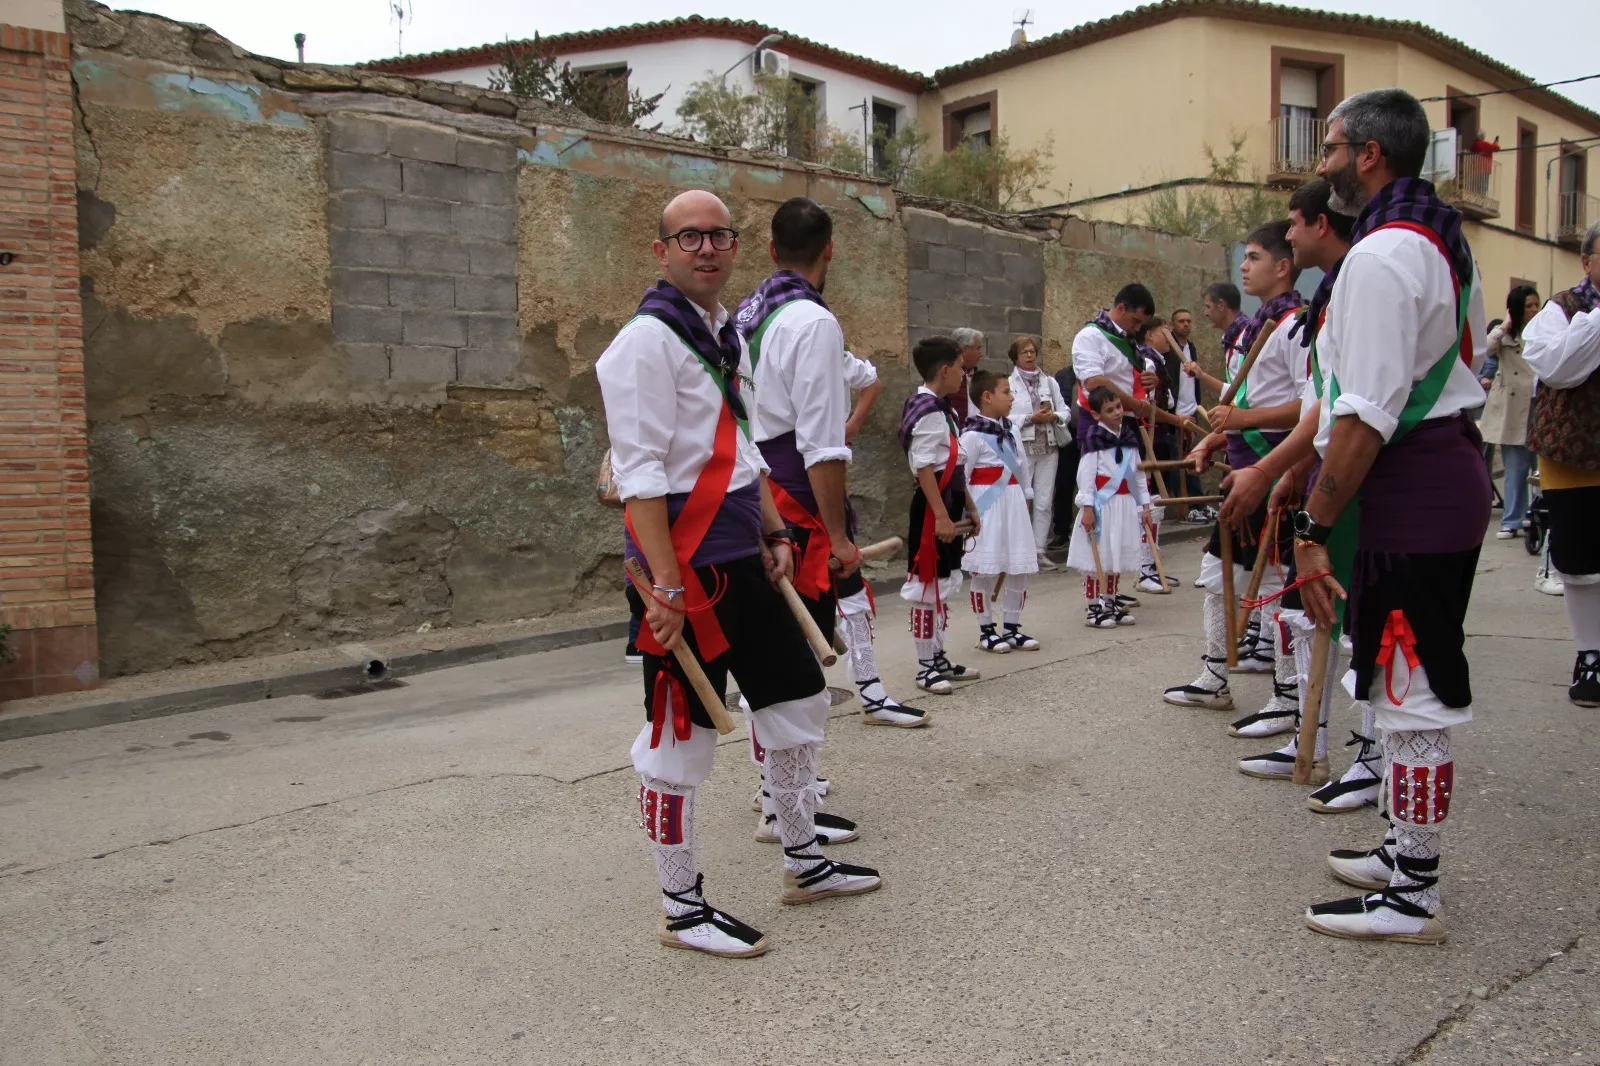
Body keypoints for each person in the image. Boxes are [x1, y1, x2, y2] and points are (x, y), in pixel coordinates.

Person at [597, 189, 882, 959]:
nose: (707, 248)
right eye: (689, 237)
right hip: (685, 574)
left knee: (796, 703)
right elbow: (639, 472)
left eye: (720, 235)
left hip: (744, 561)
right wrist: (662, 583)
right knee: (678, 743)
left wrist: (775, 528)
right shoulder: (644, 344)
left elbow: (743, 444)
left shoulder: (722, 332)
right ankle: (682, 907)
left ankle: (803, 861)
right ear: (662, 251)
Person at [1296, 88, 1491, 944]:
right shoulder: (1441, 242)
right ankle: (1402, 854)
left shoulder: (1380, 257)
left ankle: (1414, 891)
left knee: (1412, 694)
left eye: (1330, 147)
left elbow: (1365, 413)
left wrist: (1310, 527)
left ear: (1369, 153)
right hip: (1428, 480)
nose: (1322, 163)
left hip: (1412, 486)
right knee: (1395, 678)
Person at [737, 197, 928, 734]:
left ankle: (779, 789)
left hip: (753, 488)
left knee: (775, 643)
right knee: (794, 656)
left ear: (773, 251)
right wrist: (839, 537)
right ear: (830, 252)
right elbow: (821, 447)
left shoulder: (746, 315)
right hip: (796, 494)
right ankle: (786, 803)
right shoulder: (813, 322)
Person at [1218, 179, 1378, 814]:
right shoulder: (1333, 294)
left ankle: (1371, 755)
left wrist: (1272, 466)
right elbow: (1325, 401)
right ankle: (1323, 729)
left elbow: (1344, 406)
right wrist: (1286, 467)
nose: (1284, 235)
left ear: (1321, 224)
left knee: (1368, 617)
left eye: (1292, 223)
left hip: (1371, 467)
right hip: (1325, 460)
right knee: (1326, 610)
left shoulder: (1367, 277)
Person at [1163, 222, 1305, 711]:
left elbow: (1312, 408)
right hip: (1243, 472)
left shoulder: (1296, 326)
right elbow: (1251, 403)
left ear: (1283, 267)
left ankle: (1288, 696)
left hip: (1279, 474)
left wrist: (1240, 419)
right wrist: (1218, 438)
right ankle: (1214, 675)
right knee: (1217, 568)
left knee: (1279, 581)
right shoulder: (1261, 327)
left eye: (1254, 257)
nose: (1243, 266)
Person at [1522, 219, 1600, 707]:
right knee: (1578, 563)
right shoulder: (1560, 308)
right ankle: (1590, 654)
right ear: (1587, 261)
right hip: (1573, 454)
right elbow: (1557, 367)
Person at [901, 335, 983, 695]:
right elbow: (924, 470)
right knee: (925, 587)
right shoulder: (927, 409)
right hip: (933, 507)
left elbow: (956, 462)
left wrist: (969, 506)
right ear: (946, 370)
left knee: (942, 584)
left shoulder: (944, 409)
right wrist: (942, 517)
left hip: (948, 501)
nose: (964, 378)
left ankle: (937, 657)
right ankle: (924, 666)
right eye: (962, 371)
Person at [962, 369, 1042, 652]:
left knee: (1017, 567)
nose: (1012, 397)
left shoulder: (1011, 431)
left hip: (1013, 503)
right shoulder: (971, 435)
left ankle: (1011, 627)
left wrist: (1025, 496)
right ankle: (986, 630)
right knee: (984, 569)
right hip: (987, 507)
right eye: (1006, 392)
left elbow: (1021, 467)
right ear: (987, 397)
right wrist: (969, 513)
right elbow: (963, 476)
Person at [1069, 386, 1152, 627]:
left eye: (1118, 407)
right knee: (1099, 557)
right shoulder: (1093, 439)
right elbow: (1085, 477)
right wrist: (1086, 507)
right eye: (1109, 410)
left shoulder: (1128, 438)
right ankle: (1094, 607)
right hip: (1102, 506)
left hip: (1124, 504)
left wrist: (1144, 505)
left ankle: (1111, 601)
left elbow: (1137, 476)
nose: (1117, 412)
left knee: (1116, 553)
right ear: (1096, 415)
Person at [1481, 285, 1543, 538]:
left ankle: (1538, 515)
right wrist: (1505, 324)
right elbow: (1486, 347)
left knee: (1541, 469)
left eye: (1536, 304)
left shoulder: (1543, 330)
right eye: (1528, 305)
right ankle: (1513, 519)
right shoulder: (1505, 335)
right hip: (1513, 406)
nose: (1534, 310)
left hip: (1539, 403)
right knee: (1515, 467)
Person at [1005, 335, 1070, 571]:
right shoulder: (1008, 383)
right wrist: (1031, 418)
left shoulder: (1049, 382)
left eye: (1033, 351)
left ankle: (1038, 551)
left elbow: (1065, 410)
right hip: (1023, 447)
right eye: (1025, 352)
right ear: (1016, 357)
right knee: (1021, 499)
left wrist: (1055, 416)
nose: (1030, 355)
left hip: (1049, 446)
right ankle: (1019, 552)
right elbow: (1003, 416)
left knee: (1043, 502)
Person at [1169, 308, 1207, 510]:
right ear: (1173, 324)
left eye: (1189, 321)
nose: (1185, 324)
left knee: (1195, 457)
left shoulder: (1191, 348)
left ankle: (1198, 504)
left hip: (1192, 410)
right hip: (1176, 412)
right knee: (1177, 459)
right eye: (1181, 321)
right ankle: (1187, 508)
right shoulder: (1170, 349)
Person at [950, 327, 986, 424]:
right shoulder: (947, 379)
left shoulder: (978, 378)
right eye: (978, 348)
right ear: (964, 350)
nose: (981, 354)